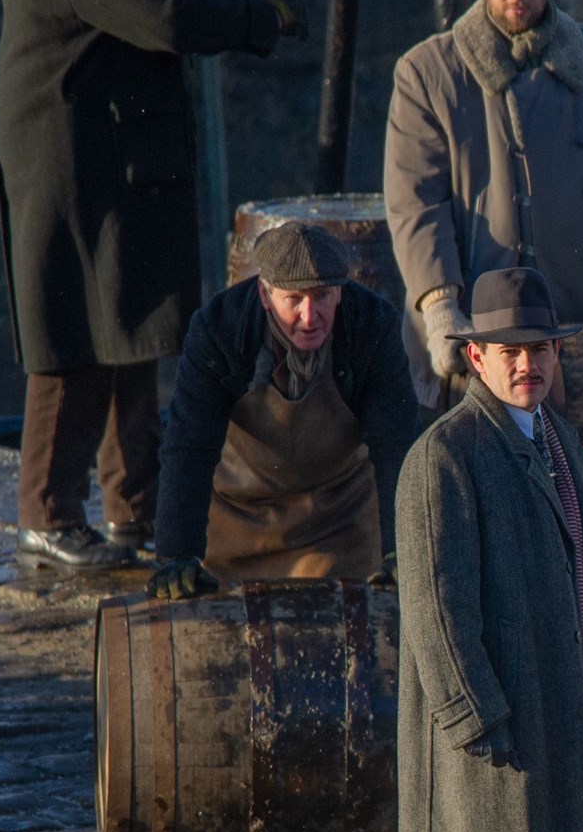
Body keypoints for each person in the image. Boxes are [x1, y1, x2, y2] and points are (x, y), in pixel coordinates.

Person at [0, 0, 310, 570]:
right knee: (76, 332)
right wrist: (259, 17)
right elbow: (161, 15)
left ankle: (133, 505)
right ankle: (47, 514)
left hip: (112, 152)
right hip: (77, 157)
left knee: (126, 325)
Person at [395, 267, 583, 832]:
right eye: (511, 352)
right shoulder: (444, 457)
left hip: (552, 731)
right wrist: (478, 724)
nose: (528, 364)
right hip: (491, 748)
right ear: (476, 357)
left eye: (540, 349)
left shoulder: (562, 444)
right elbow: (435, 614)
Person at [146, 224, 415, 597]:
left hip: (338, 517)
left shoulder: (374, 324)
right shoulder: (219, 328)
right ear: (265, 294)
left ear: (340, 291)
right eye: (295, 299)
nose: (310, 316)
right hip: (241, 518)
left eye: (322, 296)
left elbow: (395, 445)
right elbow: (189, 446)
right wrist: (177, 553)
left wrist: (403, 548)